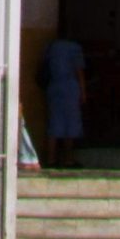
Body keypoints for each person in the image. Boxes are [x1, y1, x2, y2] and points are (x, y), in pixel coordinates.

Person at [39, 31, 86, 169]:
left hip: (53, 88)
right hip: (70, 88)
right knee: (70, 123)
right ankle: (69, 159)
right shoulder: (74, 48)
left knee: (54, 123)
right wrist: (83, 92)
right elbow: (79, 71)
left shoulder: (50, 47)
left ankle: (51, 159)